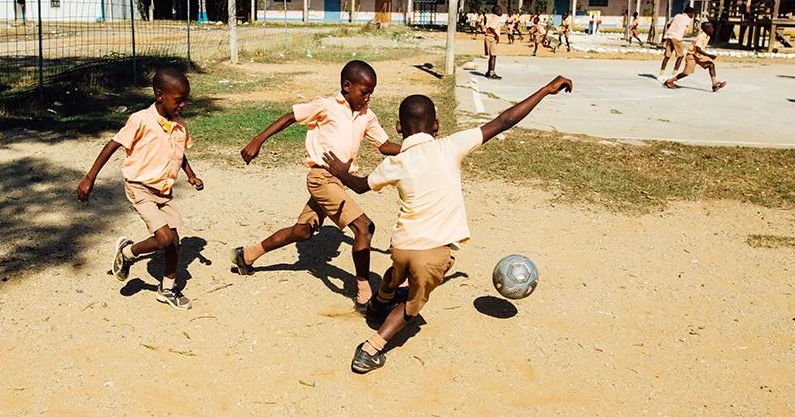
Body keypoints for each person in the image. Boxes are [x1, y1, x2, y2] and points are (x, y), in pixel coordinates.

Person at [322, 75, 573, 373]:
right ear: (436, 126)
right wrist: (544, 89)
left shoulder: (395, 162)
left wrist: (340, 171)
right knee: (412, 306)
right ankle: (371, 349)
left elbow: (362, 185)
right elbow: (504, 120)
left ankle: (380, 302)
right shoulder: (450, 146)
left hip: (401, 246)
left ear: (400, 128)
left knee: (397, 271)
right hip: (433, 253)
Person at [232, 60, 401, 309]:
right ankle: (364, 293)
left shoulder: (367, 116)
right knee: (363, 228)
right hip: (321, 178)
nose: (368, 98)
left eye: (371, 92)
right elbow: (291, 116)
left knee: (303, 231)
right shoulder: (327, 106)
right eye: (364, 91)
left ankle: (246, 255)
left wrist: (419, 146)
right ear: (347, 86)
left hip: (339, 182)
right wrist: (258, 140)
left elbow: (385, 146)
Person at [76, 67, 204, 310]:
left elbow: (179, 153)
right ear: (159, 95)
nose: (183, 105)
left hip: (163, 192)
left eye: (186, 100)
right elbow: (112, 145)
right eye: (178, 100)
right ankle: (128, 253)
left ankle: (166, 289)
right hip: (140, 187)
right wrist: (89, 178)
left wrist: (191, 175)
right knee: (164, 238)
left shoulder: (179, 125)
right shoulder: (140, 120)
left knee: (174, 242)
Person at [664, 22, 726, 92]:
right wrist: (709, 55)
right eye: (711, 28)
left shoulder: (707, 36)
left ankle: (714, 84)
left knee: (711, 65)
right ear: (707, 29)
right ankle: (669, 81)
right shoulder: (701, 37)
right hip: (692, 56)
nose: (713, 29)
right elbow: (698, 49)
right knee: (686, 73)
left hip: (699, 56)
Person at [658, 6, 694, 81]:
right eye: (692, 14)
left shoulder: (677, 15)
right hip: (677, 38)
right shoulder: (688, 19)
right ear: (689, 13)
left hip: (669, 36)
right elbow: (686, 31)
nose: (692, 16)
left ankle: (661, 74)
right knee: (680, 56)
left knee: (667, 56)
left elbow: (668, 24)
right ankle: (674, 74)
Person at [484, 5, 503, 79]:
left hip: (487, 37)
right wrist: (497, 36)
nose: (501, 12)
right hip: (492, 38)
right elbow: (491, 27)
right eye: (500, 11)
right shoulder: (497, 18)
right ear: (497, 11)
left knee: (491, 56)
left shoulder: (490, 17)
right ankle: (492, 73)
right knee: (493, 56)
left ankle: (489, 71)